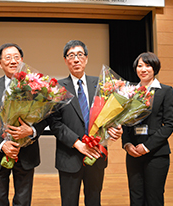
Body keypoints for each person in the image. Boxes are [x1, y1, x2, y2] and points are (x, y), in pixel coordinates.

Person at [47, 40, 123, 206]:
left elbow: (111, 115)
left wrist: (116, 127)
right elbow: (55, 123)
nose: (76, 59)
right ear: (66, 60)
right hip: (69, 156)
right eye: (71, 55)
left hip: (96, 154)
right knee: (68, 202)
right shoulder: (57, 87)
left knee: (94, 200)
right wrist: (78, 144)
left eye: (80, 55)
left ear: (86, 58)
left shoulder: (102, 85)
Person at [0, 43, 47, 206]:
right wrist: (2, 144)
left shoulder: (35, 87)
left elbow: (45, 118)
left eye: (16, 57)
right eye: (8, 57)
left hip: (27, 152)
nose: (13, 61)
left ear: (22, 60)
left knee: (23, 201)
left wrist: (31, 131)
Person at [122, 52, 173, 206]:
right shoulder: (128, 92)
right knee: (135, 196)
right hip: (133, 153)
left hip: (156, 154)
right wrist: (126, 145)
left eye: (147, 65)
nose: (143, 69)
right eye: (140, 66)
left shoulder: (165, 91)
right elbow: (125, 122)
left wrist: (147, 147)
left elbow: (170, 124)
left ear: (155, 68)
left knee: (154, 197)